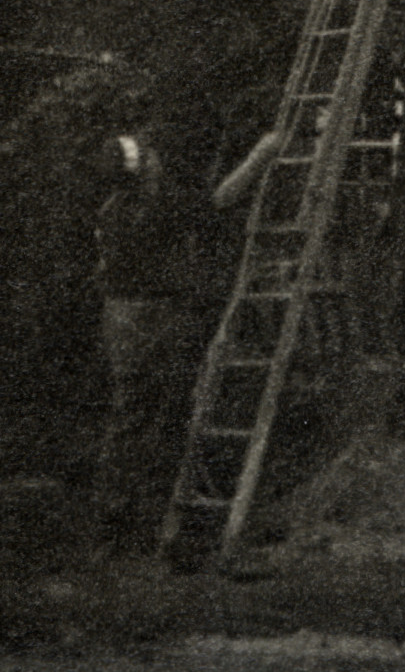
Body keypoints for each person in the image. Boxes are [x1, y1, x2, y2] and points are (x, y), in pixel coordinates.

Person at [91, 123, 280, 549]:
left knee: (130, 416)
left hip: (120, 320)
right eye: (150, 155)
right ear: (143, 168)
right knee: (172, 408)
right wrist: (261, 156)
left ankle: (116, 520)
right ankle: (161, 521)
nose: (158, 158)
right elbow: (220, 200)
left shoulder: (112, 210)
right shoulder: (158, 206)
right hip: (154, 318)